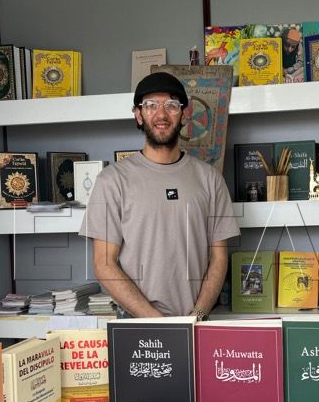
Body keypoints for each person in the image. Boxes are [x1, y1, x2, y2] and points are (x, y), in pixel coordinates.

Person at [79, 72, 240, 320]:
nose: (161, 114)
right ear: (138, 114)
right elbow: (104, 265)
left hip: (197, 321)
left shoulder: (210, 179)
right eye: (151, 105)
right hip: (138, 322)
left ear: (185, 114)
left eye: (171, 105)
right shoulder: (112, 180)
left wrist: (196, 316)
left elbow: (218, 258)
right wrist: (157, 322)